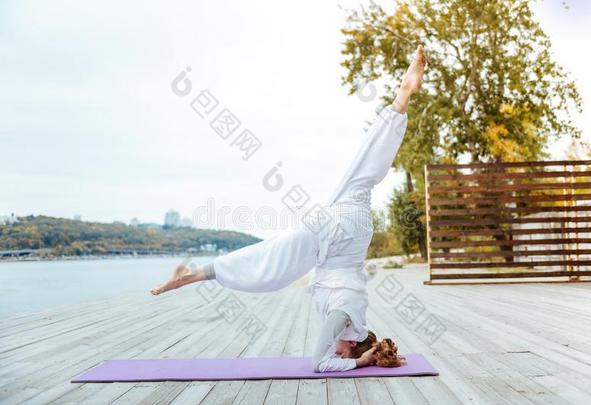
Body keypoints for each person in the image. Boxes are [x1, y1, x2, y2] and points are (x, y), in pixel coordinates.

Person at [151, 45, 427, 372]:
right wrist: (358, 364)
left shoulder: (357, 319)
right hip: (334, 239)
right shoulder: (345, 319)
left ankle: (401, 98)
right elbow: (318, 364)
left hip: (350, 232)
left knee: (364, 167)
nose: (335, 350)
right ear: (353, 344)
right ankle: (193, 276)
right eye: (343, 352)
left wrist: (373, 356)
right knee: (267, 266)